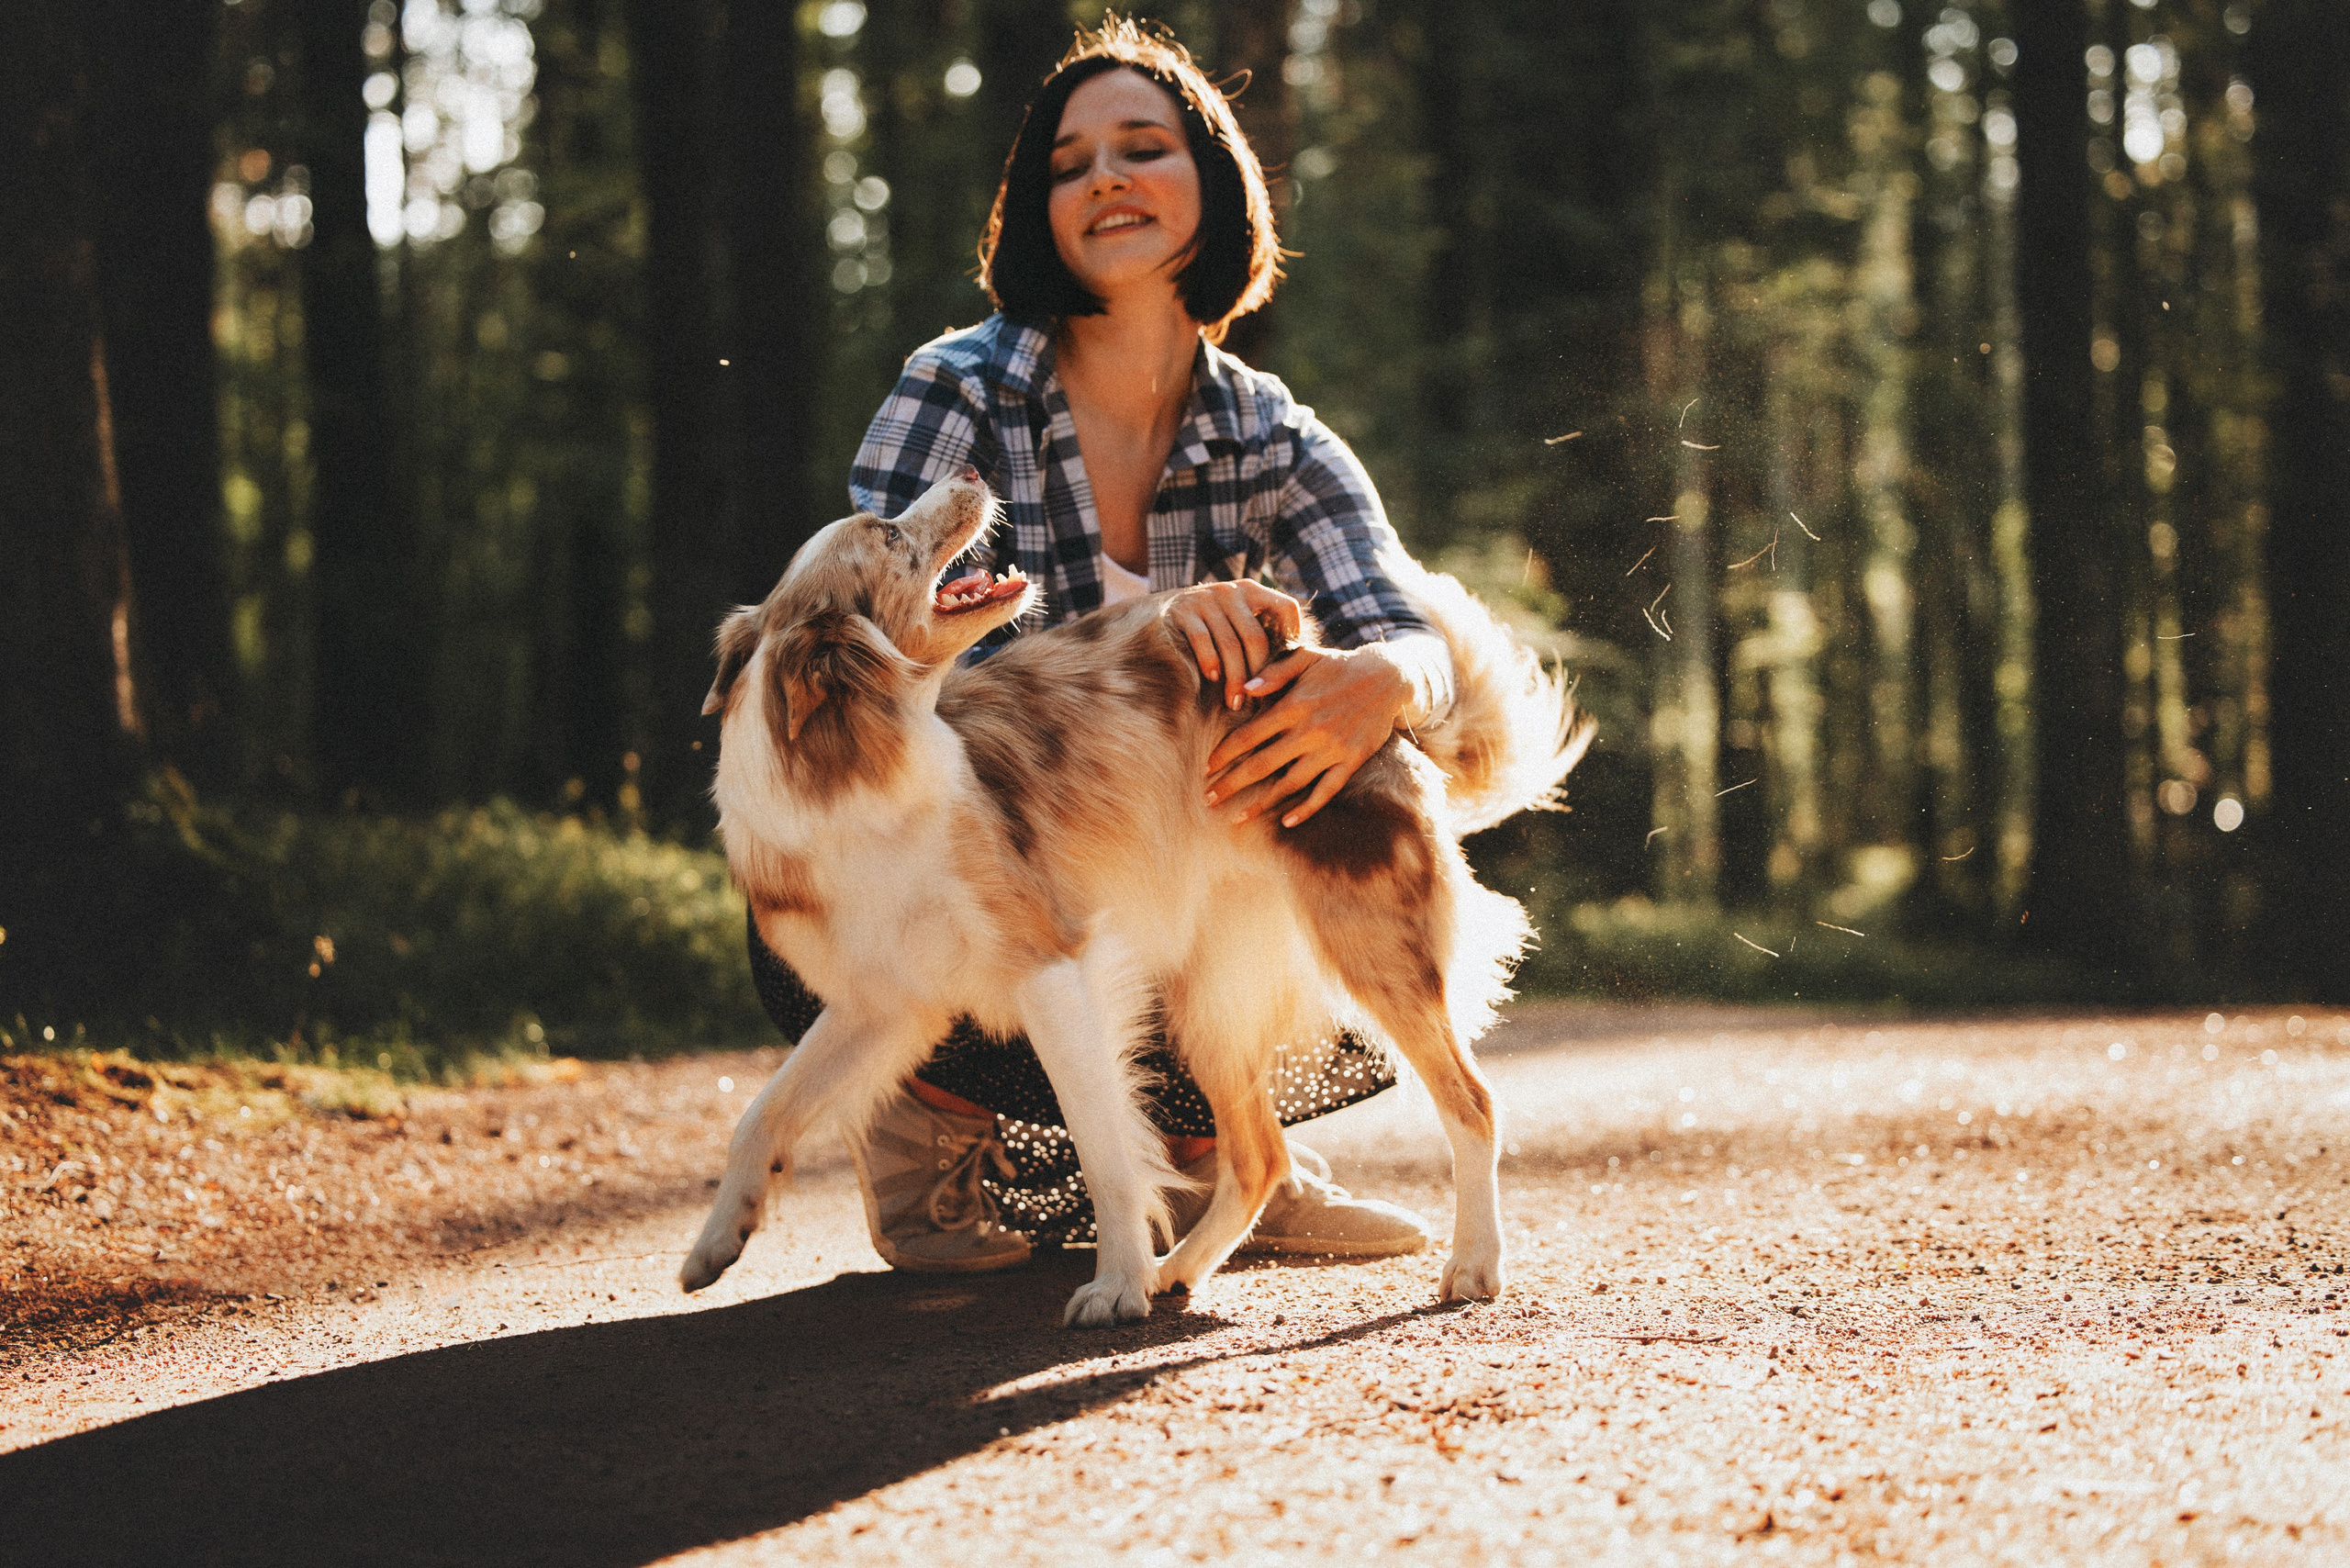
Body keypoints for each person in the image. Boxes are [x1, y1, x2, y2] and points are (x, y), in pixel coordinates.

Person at [747, 17, 1460, 1271]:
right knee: (844, 924)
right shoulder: (957, 391)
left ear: (1214, 187)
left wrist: (1387, 675)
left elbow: (1402, 618)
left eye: (1144, 148)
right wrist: (1142, 633)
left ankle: (1232, 1162)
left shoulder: (1275, 439)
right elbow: (875, 674)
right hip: (970, 878)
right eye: (1069, 165)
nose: (1108, 180)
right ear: (1038, 211)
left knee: (1360, 879)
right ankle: (945, 1128)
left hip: (1165, 891)